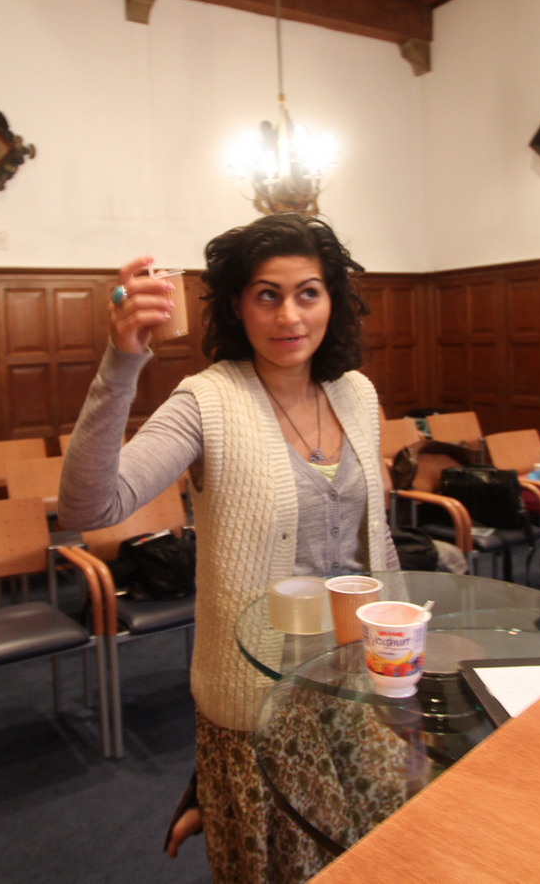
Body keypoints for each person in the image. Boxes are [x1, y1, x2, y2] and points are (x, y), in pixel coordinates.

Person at [58, 213, 398, 883]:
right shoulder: (207, 401)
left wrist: (406, 638)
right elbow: (88, 508)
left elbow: (373, 534)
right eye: (267, 294)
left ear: (332, 299)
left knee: (383, 855)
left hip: (362, 684)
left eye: (308, 292)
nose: (289, 315)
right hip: (260, 700)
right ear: (238, 305)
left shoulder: (356, 393)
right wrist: (122, 359)